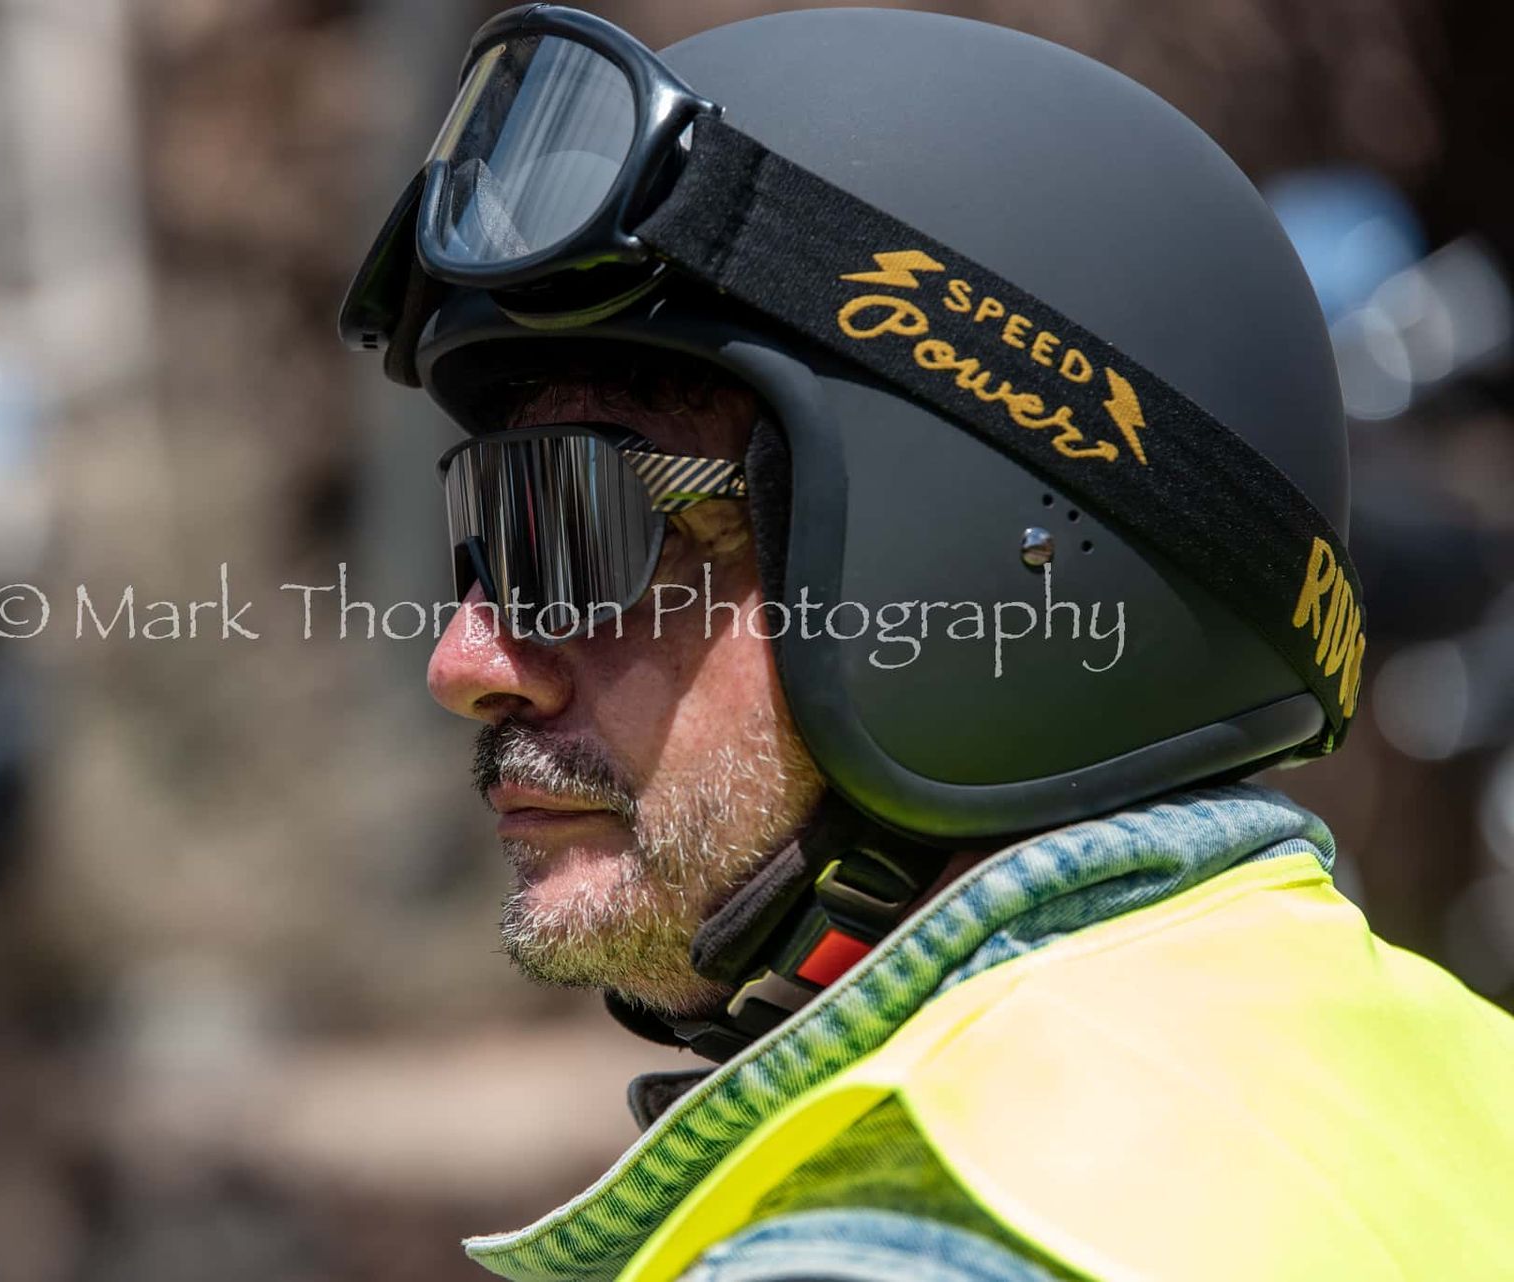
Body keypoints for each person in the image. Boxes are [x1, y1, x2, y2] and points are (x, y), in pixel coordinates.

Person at [339, 7, 1514, 1281]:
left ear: (971, 546)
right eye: (486, 533)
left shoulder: (894, 1241)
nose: (466, 660)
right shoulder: (1452, 1073)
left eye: (569, 529)